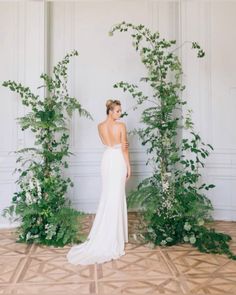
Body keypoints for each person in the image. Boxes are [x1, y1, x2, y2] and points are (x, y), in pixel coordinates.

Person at [66, 99, 131, 265]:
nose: (120, 113)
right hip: (117, 160)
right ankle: (114, 236)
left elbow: (106, 143)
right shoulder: (121, 126)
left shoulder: (99, 126)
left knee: (109, 195)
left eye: (120, 111)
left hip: (107, 158)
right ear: (110, 111)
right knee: (116, 195)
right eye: (117, 111)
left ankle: (110, 232)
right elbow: (124, 148)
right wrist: (129, 166)